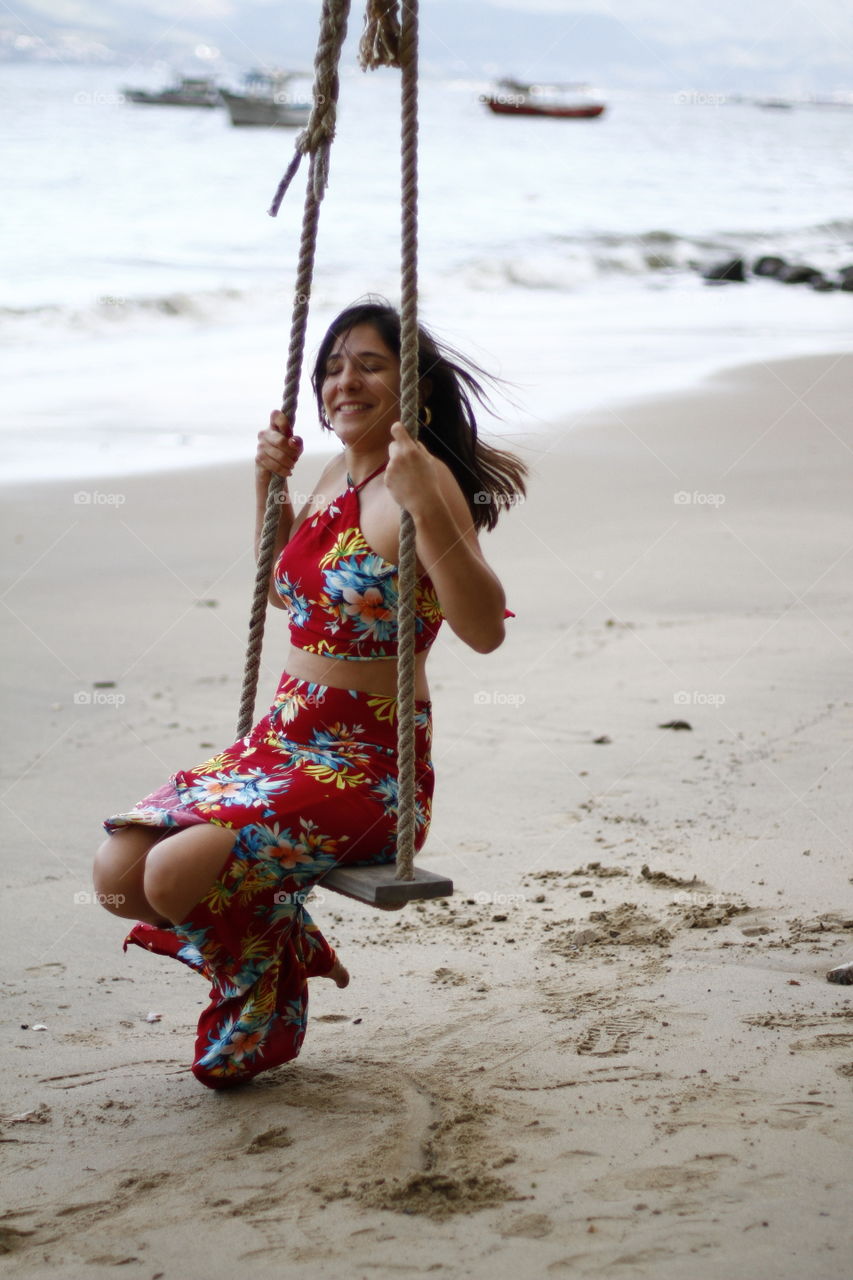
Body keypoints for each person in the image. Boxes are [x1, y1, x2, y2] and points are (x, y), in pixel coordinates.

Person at [93, 299, 527, 1089]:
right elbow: (289, 597)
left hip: (364, 767)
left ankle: (260, 980)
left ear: (411, 386)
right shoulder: (334, 473)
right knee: (119, 875)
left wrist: (429, 506)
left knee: (170, 877)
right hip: (280, 743)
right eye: (331, 366)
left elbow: (483, 629)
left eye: (368, 364)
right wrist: (268, 484)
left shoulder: (419, 485)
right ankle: (277, 933)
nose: (343, 381)